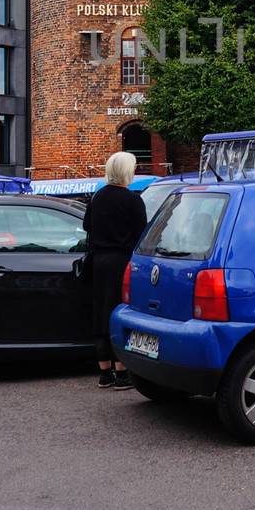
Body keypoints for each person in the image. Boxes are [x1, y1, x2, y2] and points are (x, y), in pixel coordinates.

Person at [85, 151, 148, 390]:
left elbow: (86, 226)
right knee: (121, 311)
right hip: (123, 262)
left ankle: (104, 372)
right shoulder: (132, 200)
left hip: (99, 261)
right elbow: (142, 233)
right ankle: (122, 372)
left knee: (100, 313)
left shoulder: (98, 197)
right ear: (126, 171)